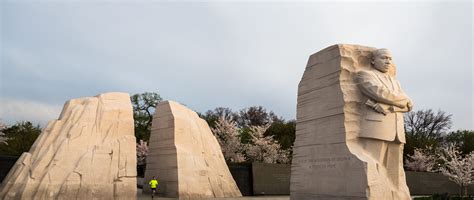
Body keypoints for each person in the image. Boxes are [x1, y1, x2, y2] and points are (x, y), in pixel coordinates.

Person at [356, 48, 412, 200]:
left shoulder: (396, 82)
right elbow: (380, 93)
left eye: (390, 59)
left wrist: (390, 106)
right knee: (373, 169)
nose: (388, 61)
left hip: (397, 131)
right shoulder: (364, 75)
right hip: (377, 128)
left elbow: (409, 105)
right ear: (373, 60)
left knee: (395, 176)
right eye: (384, 58)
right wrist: (403, 101)